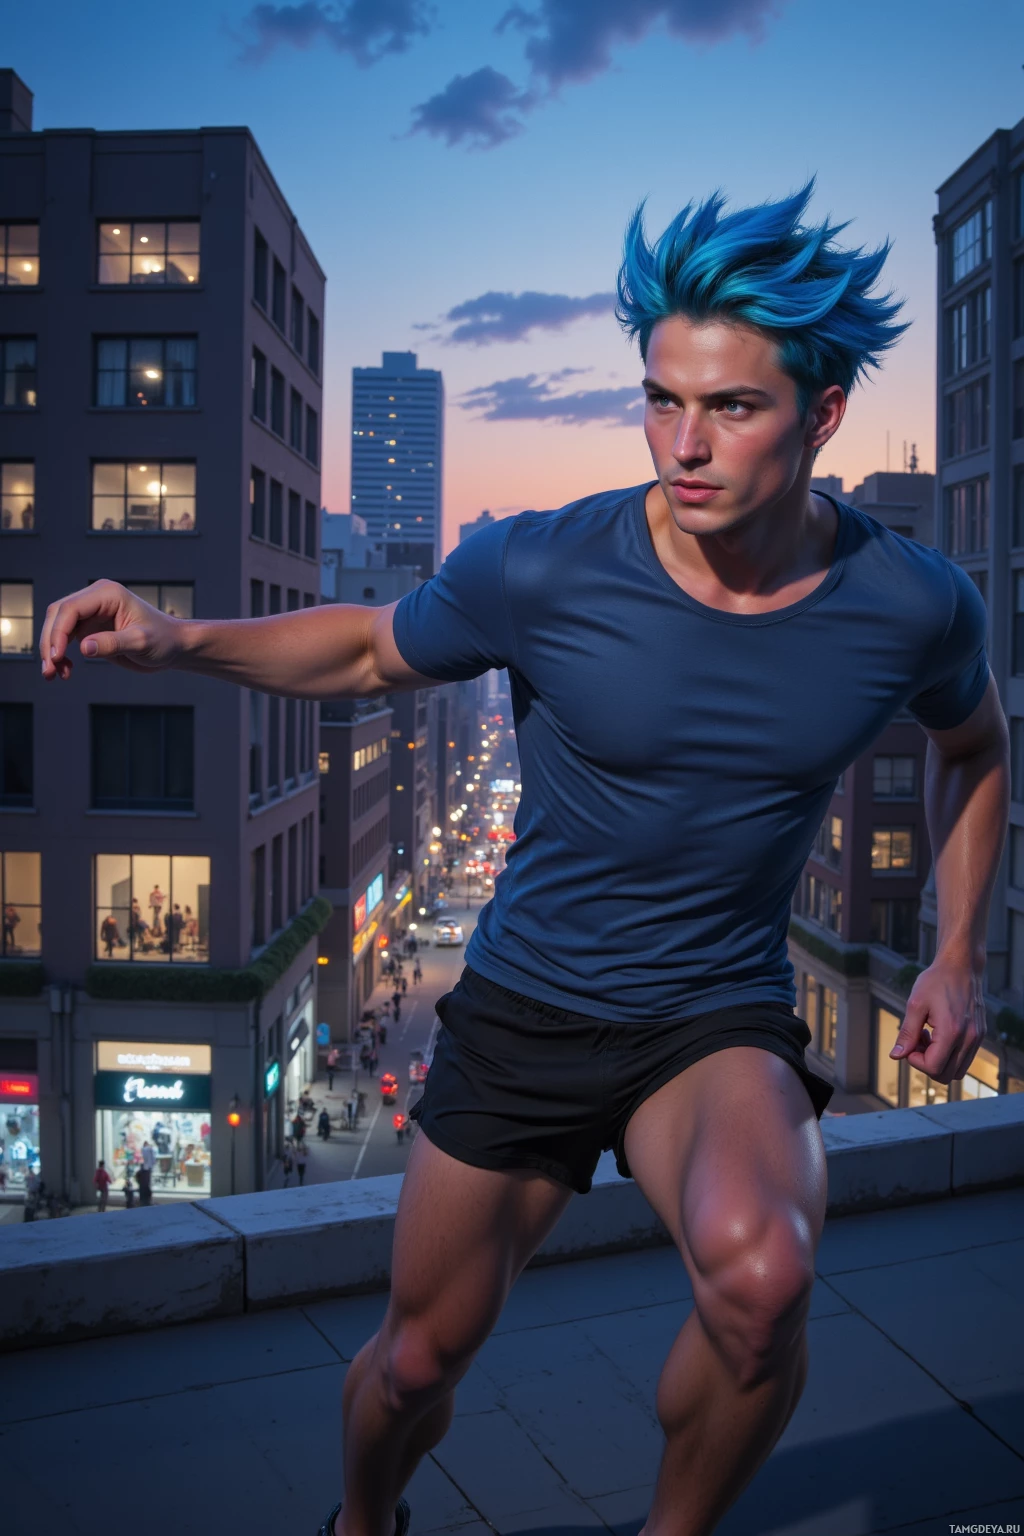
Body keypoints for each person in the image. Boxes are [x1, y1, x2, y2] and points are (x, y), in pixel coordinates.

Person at [40, 181, 1010, 1536]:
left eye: (731, 407)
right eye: (662, 399)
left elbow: (976, 750)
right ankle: (364, 1524)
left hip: (711, 1018)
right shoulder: (546, 567)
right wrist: (176, 637)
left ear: (824, 414)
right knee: (417, 1362)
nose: (685, 442)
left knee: (767, 1284)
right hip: (528, 1005)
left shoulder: (911, 602)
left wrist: (957, 950)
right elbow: (374, 645)